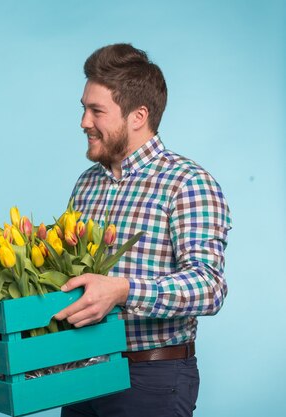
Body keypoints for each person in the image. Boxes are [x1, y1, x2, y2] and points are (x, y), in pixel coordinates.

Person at [54, 43, 231, 417]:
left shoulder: (187, 183)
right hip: (81, 373)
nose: (84, 121)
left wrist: (124, 291)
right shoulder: (87, 184)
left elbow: (209, 288)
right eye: (83, 108)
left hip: (152, 377)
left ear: (138, 116)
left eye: (96, 111)